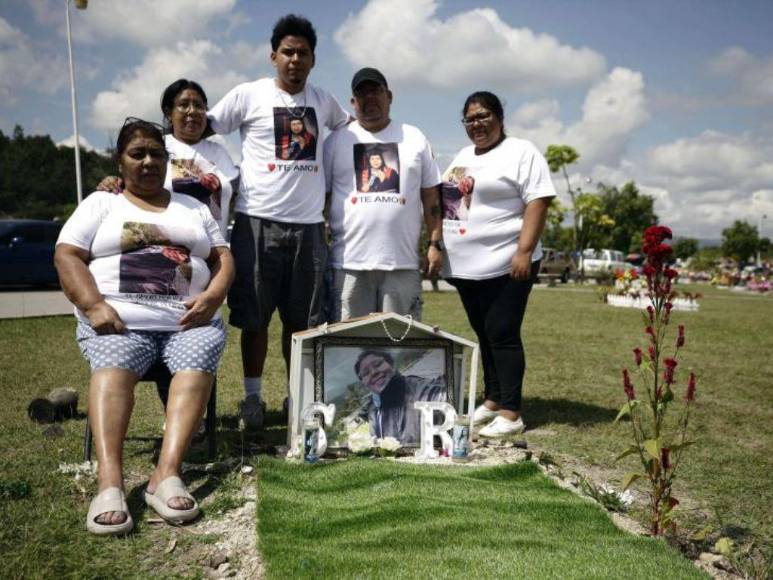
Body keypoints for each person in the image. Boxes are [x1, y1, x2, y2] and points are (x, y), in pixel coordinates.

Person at [55, 119, 235, 535]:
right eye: (138, 154)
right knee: (114, 361)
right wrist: (94, 305)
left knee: (199, 353)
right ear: (120, 161)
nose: (149, 161)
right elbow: (67, 255)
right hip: (119, 321)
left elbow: (222, 258)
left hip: (186, 324)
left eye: (156, 153)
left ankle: (166, 474)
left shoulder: (193, 207)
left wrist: (212, 297)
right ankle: (109, 483)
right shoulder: (101, 204)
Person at [207, 14, 349, 431]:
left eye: (303, 53)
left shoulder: (325, 102)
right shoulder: (248, 95)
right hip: (256, 224)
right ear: (273, 56)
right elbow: (201, 128)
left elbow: (352, 132)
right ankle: (252, 397)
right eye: (287, 52)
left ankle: (297, 397)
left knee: (301, 322)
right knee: (254, 319)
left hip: (309, 228)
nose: (295, 60)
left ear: (313, 59)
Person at [442, 91, 555, 438]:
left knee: (503, 332)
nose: (476, 124)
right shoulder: (463, 156)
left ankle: (511, 411)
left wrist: (524, 250)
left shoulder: (521, 151)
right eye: (470, 119)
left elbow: (538, 200)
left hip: (507, 262)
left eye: (483, 116)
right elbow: (453, 203)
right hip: (468, 268)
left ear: (500, 117)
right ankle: (492, 399)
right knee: (484, 333)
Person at [324, 67, 443, 322]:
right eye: (362, 93)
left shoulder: (414, 137)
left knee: (400, 340)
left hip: (402, 263)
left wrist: (435, 244)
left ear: (389, 96)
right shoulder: (335, 141)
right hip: (349, 265)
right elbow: (321, 198)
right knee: (349, 340)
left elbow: (431, 197)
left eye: (376, 91)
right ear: (353, 102)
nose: (369, 98)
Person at [99, 79, 238, 239]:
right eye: (184, 105)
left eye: (199, 106)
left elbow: (235, 193)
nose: (192, 111)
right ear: (168, 113)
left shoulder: (219, 152)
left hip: (214, 247)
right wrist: (114, 182)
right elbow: (130, 182)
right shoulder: (156, 148)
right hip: (167, 244)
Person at [354, 349, 445, 445]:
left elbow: (440, 396)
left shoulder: (420, 390)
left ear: (392, 365)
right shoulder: (373, 410)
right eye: (366, 373)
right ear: (364, 383)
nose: (373, 372)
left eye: (378, 364)